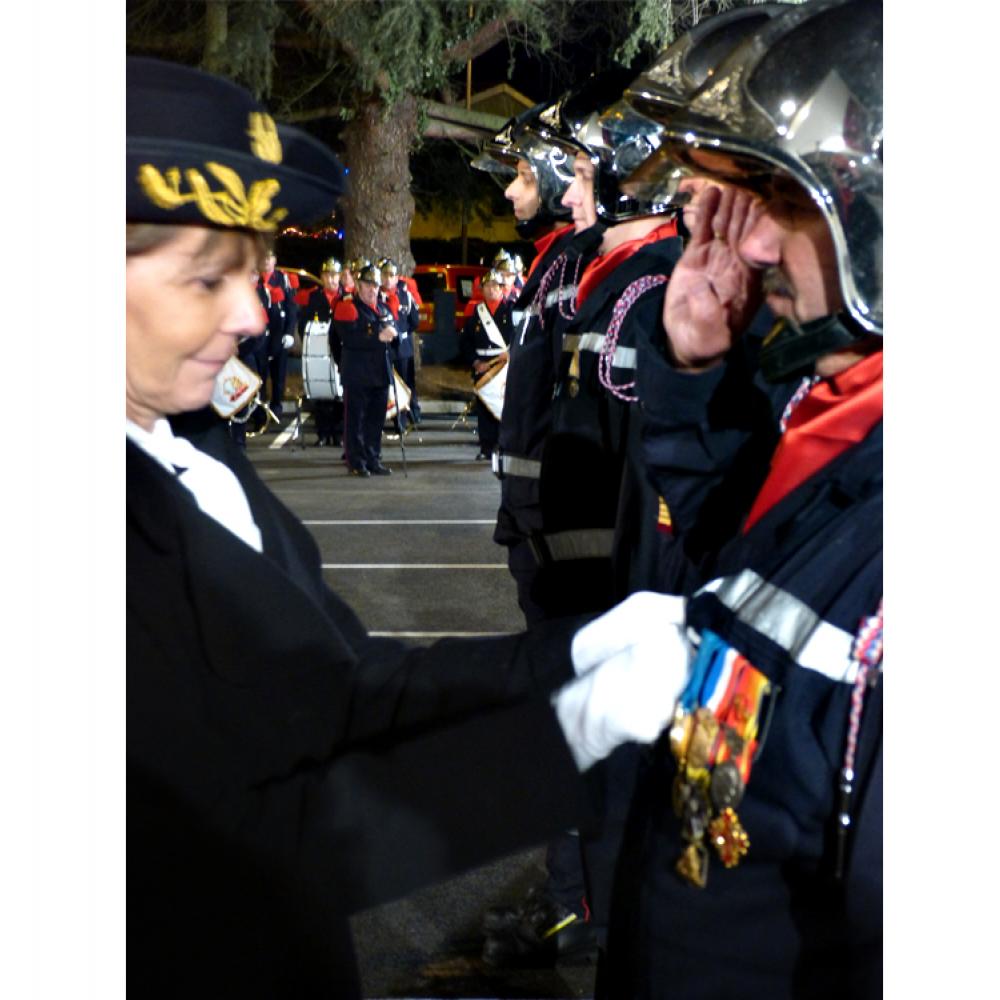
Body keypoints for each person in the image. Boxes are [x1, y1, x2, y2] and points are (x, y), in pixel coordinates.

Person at [127, 55, 694, 999]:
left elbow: (341, 685)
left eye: (259, 271)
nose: (253, 313)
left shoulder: (193, 445)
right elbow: (248, 842)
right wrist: (562, 739)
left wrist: (571, 657)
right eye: (203, 280)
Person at [597, 2, 883, 996]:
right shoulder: (842, 407)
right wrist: (692, 365)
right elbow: (751, 565)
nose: (751, 246)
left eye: (782, 201)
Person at [333, 260, 397, 476]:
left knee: (375, 420)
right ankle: (356, 461)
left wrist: (392, 337)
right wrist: (378, 337)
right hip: (358, 373)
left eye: (376, 286)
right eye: (368, 285)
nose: (373, 289)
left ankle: (373, 458)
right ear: (358, 286)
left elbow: (394, 334)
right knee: (356, 420)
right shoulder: (348, 307)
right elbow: (348, 338)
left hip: (380, 372)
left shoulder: (384, 308)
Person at [461, 268, 512, 461]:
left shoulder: (511, 309)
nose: (491, 290)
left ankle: (504, 445)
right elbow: (465, 341)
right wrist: (475, 362)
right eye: (488, 286)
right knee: (484, 408)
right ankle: (486, 447)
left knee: (503, 405)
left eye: (495, 286)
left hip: (503, 365)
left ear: (502, 289)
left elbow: (520, 336)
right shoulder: (477, 312)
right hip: (483, 365)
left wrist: (511, 353)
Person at [303, 257, 344, 447]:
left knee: (339, 394)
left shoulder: (346, 297)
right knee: (321, 393)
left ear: (341, 276)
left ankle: (338, 433)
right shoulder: (314, 298)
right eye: (328, 276)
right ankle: (322, 433)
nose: (331, 280)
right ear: (322, 277)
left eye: (335, 275)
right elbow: (304, 324)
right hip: (319, 352)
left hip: (340, 351)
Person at [379, 256, 422, 429]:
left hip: (403, 349)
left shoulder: (406, 296)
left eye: (391, 276)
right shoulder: (377, 297)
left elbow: (414, 321)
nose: (388, 279)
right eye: (385, 275)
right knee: (386, 383)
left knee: (404, 384)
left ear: (397, 278)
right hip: (384, 347)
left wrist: (402, 335)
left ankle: (402, 419)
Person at [257, 247, 297, 420]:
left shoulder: (283, 279)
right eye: (263, 257)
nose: (266, 261)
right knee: (260, 372)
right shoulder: (254, 279)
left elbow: (291, 307)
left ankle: (276, 405)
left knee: (279, 373)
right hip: (260, 334)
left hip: (279, 333)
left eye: (270, 257)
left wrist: (289, 332)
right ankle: (259, 408)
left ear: (275, 260)